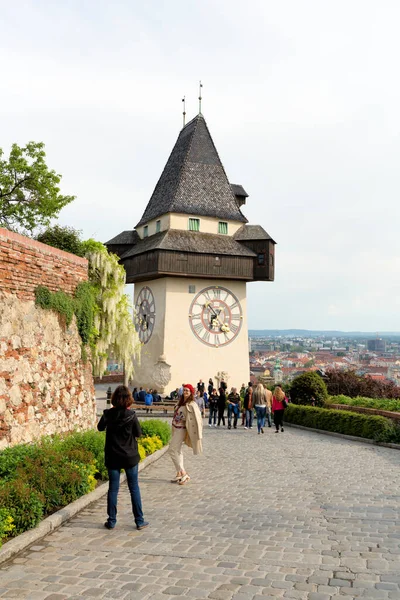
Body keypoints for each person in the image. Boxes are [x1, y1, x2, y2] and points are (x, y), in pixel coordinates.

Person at [97, 385, 149, 531]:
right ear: (128, 399)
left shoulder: (108, 414)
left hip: (113, 455)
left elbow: (100, 428)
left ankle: (111, 521)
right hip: (130, 456)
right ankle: (139, 520)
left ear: (114, 398)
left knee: (113, 489)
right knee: (134, 488)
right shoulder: (131, 415)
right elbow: (138, 433)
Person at [169, 384, 203, 485]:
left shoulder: (192, 404)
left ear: (191, 392)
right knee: (178, 450)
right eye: (184, 390)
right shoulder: (181, 401)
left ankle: (183, 472)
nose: (185, 392)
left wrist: (198, 433)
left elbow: (198, 419)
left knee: (171, 449)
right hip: (176, 428)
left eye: (187, 391)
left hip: (182, 429)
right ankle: (179, 473)